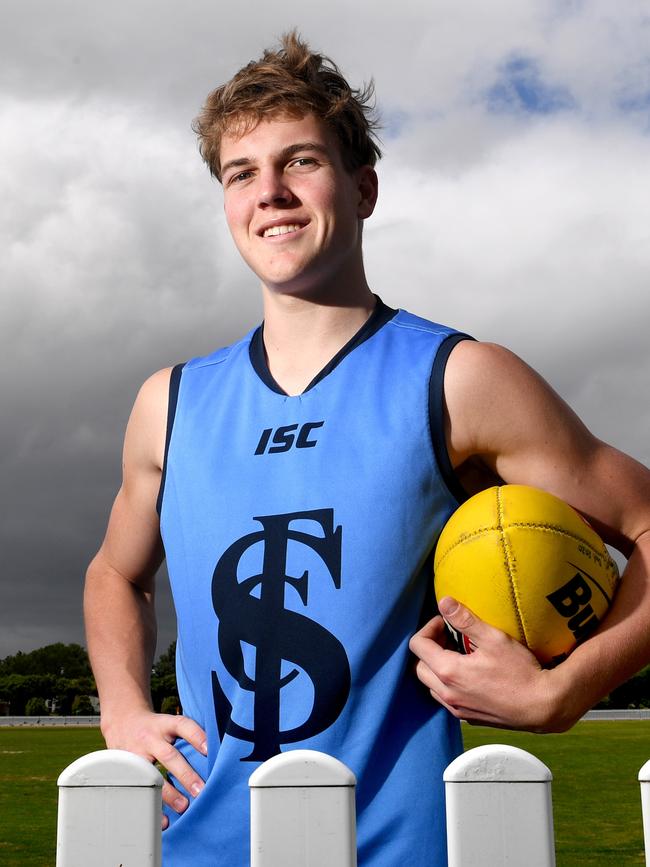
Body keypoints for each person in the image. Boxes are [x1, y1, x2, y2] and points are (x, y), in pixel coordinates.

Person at [84, 31, 650, 867]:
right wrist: (123, 707)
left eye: (300, 162)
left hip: (397, 846)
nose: (269, 192)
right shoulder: (169, 404)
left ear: (364, 186)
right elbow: (114, 574)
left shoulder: (458, 378)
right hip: (198, 844)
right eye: (242, 173)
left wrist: (568, 687)